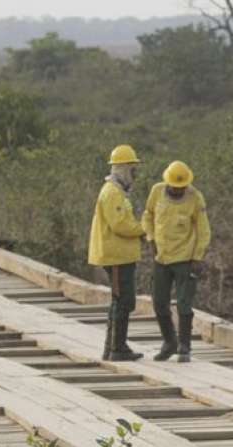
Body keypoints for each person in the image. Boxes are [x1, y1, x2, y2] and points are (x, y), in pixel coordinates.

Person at [142, 160, 211, 363]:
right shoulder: (156, 191)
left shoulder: (195, 197)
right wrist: (150, 237)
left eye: (182, 187)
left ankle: (184, 346)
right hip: (161, 258)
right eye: (175, 186)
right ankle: (169, 342)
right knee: (159, 303)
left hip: (185, 259)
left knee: (183, 304)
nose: (178, 190)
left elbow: (203, 230)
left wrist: (198, 257)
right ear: (167, 182)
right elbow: (148, 216)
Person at [88, 144, 146, 362]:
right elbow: (120, 224)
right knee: (123, 301)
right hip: (115, 256)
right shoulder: (112, 193)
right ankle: (117, 348)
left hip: (121, 255)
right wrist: (144, 229)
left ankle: (112, 347)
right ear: (123, 168)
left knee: (120, 300)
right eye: (133, 168)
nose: (135, 173)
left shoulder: (118, 192)